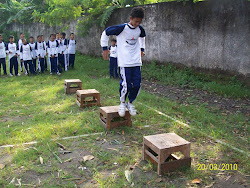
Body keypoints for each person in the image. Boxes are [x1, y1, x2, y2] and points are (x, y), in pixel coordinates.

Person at [100, 7, 146, 117]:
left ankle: (130, 103)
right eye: (136, 21)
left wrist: (142, 49)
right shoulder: (122, 28)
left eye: (139, 22)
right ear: (131, 18)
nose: (137, 24)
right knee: (126, 85)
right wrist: (104, 48)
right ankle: (122, 103)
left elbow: (143, 37)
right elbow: (105, 32)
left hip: (136, 62)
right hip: (125, 62)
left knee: (137, 84)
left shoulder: (140, 29)